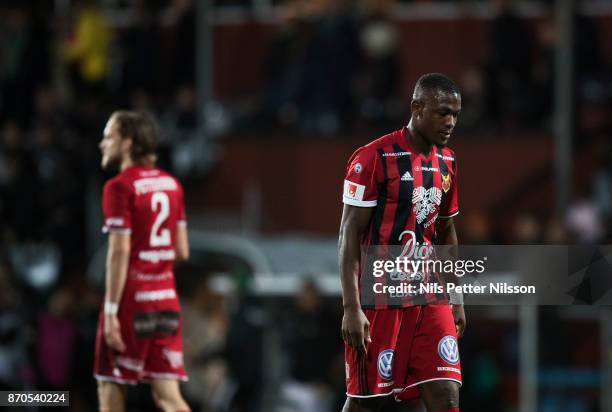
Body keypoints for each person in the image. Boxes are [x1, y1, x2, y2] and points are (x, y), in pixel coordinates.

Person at [339, 73, 466, 412]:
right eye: (442, 112)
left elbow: (446, 232)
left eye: (455, 113)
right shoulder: (373, 158)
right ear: (416, 107)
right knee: (369, 403)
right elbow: (349, 235)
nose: (450, 121)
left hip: (430, 295)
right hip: (380, 298)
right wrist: (351, 308)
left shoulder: (448, 162)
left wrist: (456, 295)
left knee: (446, 395)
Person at [94, 110, 191, 412]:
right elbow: (182, 252)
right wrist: (156, 273)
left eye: (109, 136)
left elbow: (119, 250)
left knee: (111, 387)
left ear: (127, 143)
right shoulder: (171, 185)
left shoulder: (119, 187)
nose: (102, 144)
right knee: (169, 397)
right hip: (165, 302)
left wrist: (111, 310)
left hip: (132, 303)